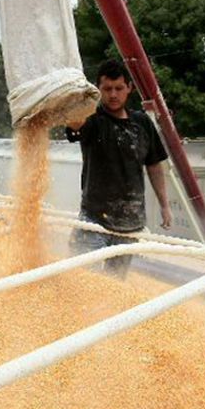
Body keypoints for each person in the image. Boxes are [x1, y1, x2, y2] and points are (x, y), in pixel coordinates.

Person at [65, 59, 172, 279]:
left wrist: (164, 205)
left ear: (129, 88)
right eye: (107, 89)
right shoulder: (93, 121)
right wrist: (78, 99)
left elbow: (154, 165)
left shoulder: (142, 123)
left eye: (119, 88)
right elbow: (74, 124)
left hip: (130, 224)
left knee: (114, 284)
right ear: (99, 90)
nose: (113, 95)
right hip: (94, 220)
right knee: (82, 280)